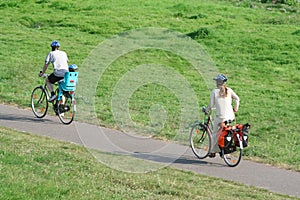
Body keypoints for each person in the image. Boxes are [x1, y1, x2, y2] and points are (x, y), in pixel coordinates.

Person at [207, 74, 240, 158]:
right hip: (230, 117)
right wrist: (236, 107)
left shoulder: (214, 92)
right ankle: (226, 150)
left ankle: (213, 151)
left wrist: (206, 110)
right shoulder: (229, 90)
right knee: (227, 133)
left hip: (221, 117)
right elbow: (237, 98)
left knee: (215, 133)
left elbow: (211, 106)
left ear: (218, 83)